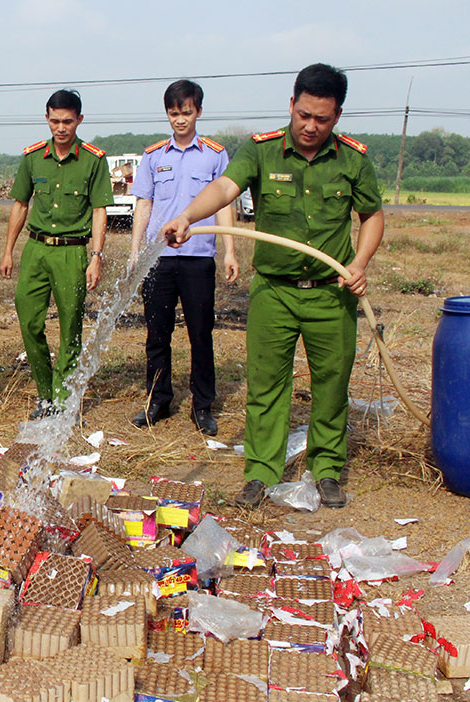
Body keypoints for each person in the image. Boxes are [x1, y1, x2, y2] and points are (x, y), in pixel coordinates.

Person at [159, 64, 384, 509]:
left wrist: (359, 264)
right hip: (274, 293)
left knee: (332, 383)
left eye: (322, 119)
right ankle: (260, 472)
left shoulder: (353, 158)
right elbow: (224, 185)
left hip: (330, 293)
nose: (310, 126)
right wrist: (188, 216)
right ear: (291, 105)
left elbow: (372, 216)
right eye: (303, 115)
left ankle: (326, 469)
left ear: (337, 116)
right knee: (266, 384)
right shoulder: (262, 151)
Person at [127, 79, 238, 435]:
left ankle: (202, 404)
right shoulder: (153, 156)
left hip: (197, 258)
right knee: (157, 333)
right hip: (159, 259)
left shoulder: (214, 155)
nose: (180, 120)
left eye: (186, 112)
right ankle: (157, 399)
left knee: (200, 333)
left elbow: (224, 204)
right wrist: (135, 251)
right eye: (174, 113)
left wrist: (230, 250)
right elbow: (143, 204)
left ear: (199, 112)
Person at [1, 89, 114, 419]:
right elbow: (20, 205)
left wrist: (96, 256)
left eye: (67, 121)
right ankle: (45, 392)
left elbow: (99, 211)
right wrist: (8, 251)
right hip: (36, 250)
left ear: (79, 120)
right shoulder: (34, 157)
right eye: (54, 121)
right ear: (47, 119)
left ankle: (63, 400)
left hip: (72, 253)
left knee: (70, 329)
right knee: (30, 322)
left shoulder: (93, 160)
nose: (61, 128)